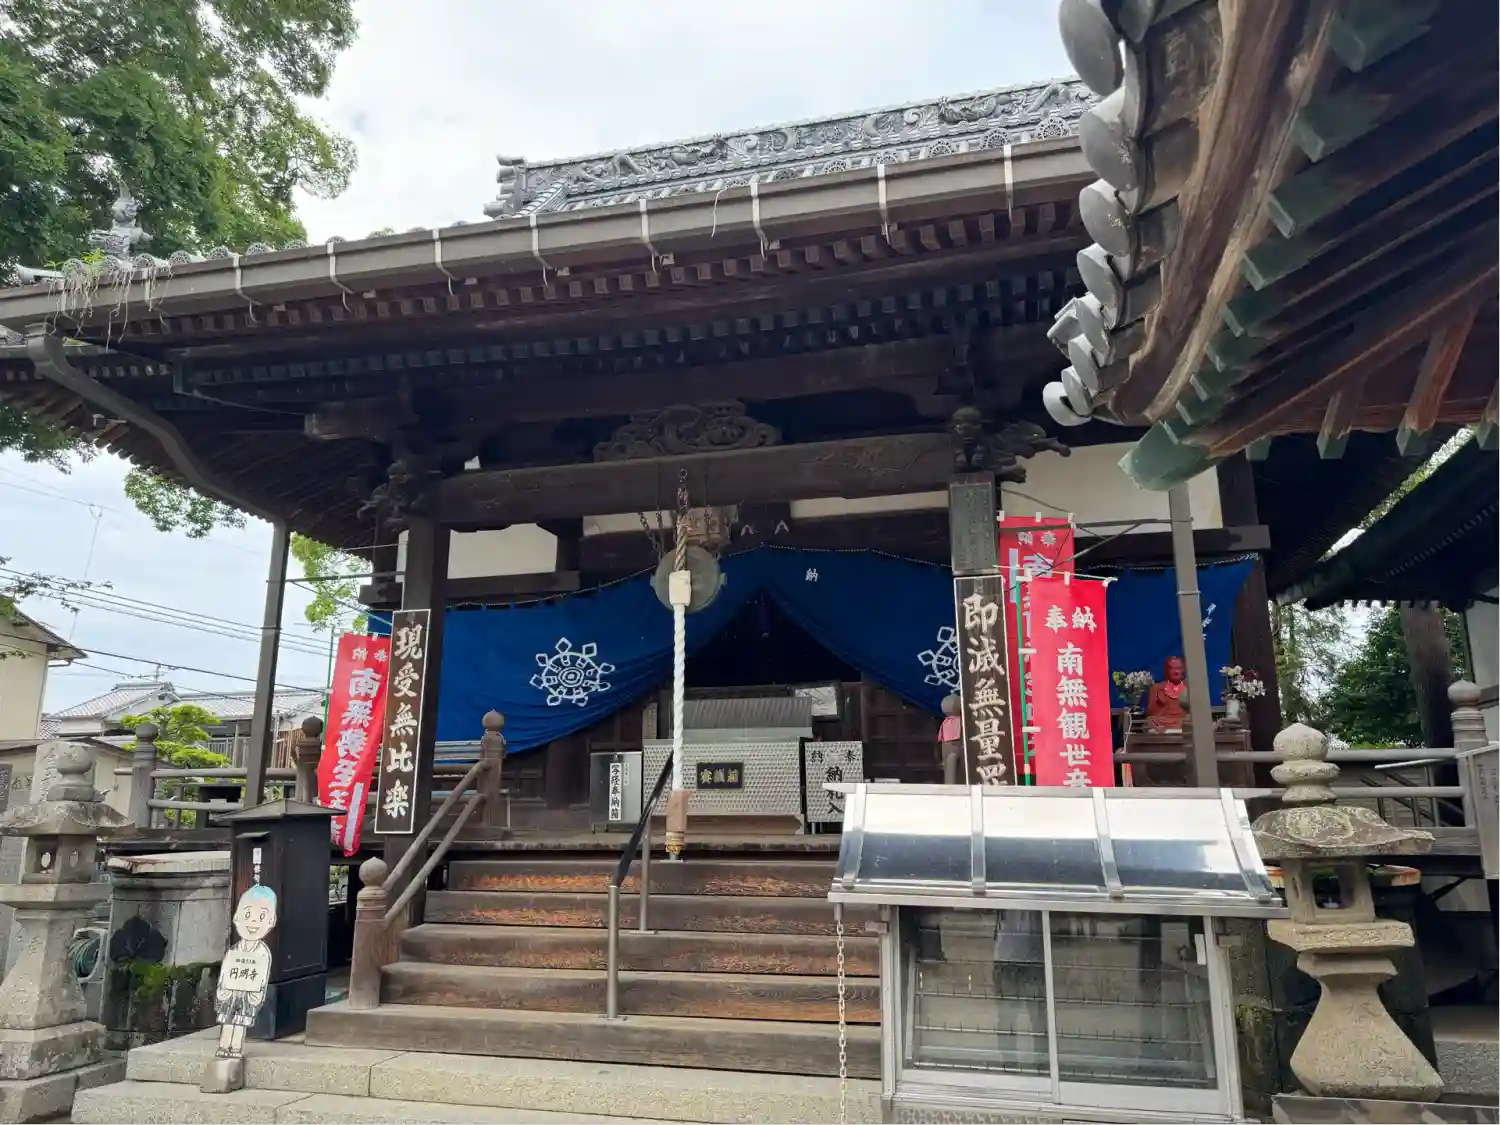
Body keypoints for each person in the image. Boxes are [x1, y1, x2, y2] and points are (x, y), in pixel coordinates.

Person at [214, 884, 277, 1059]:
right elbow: (225, 973)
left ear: (271, 921)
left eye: (261, 916)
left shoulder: (263, 952)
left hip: (247, 996)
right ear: (237, 917)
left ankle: (235, 1047)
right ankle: (224, 1045)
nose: (253, 922)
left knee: (240, 1021)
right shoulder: (234, 951)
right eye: (248, 914)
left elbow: (262, 976)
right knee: (228, 1020)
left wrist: (257, 994)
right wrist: (222, 991)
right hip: (231, 993)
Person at [1145, 655, 1188, 731]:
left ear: (1183, 670)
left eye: (1179, 668)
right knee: (1151, 721)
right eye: (1173, 668)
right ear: (1166, 670)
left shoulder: (1189, 688)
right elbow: (1151, 712)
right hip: (1162, 723)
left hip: (1183, 722)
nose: (1176, 672)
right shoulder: (1156, 688)